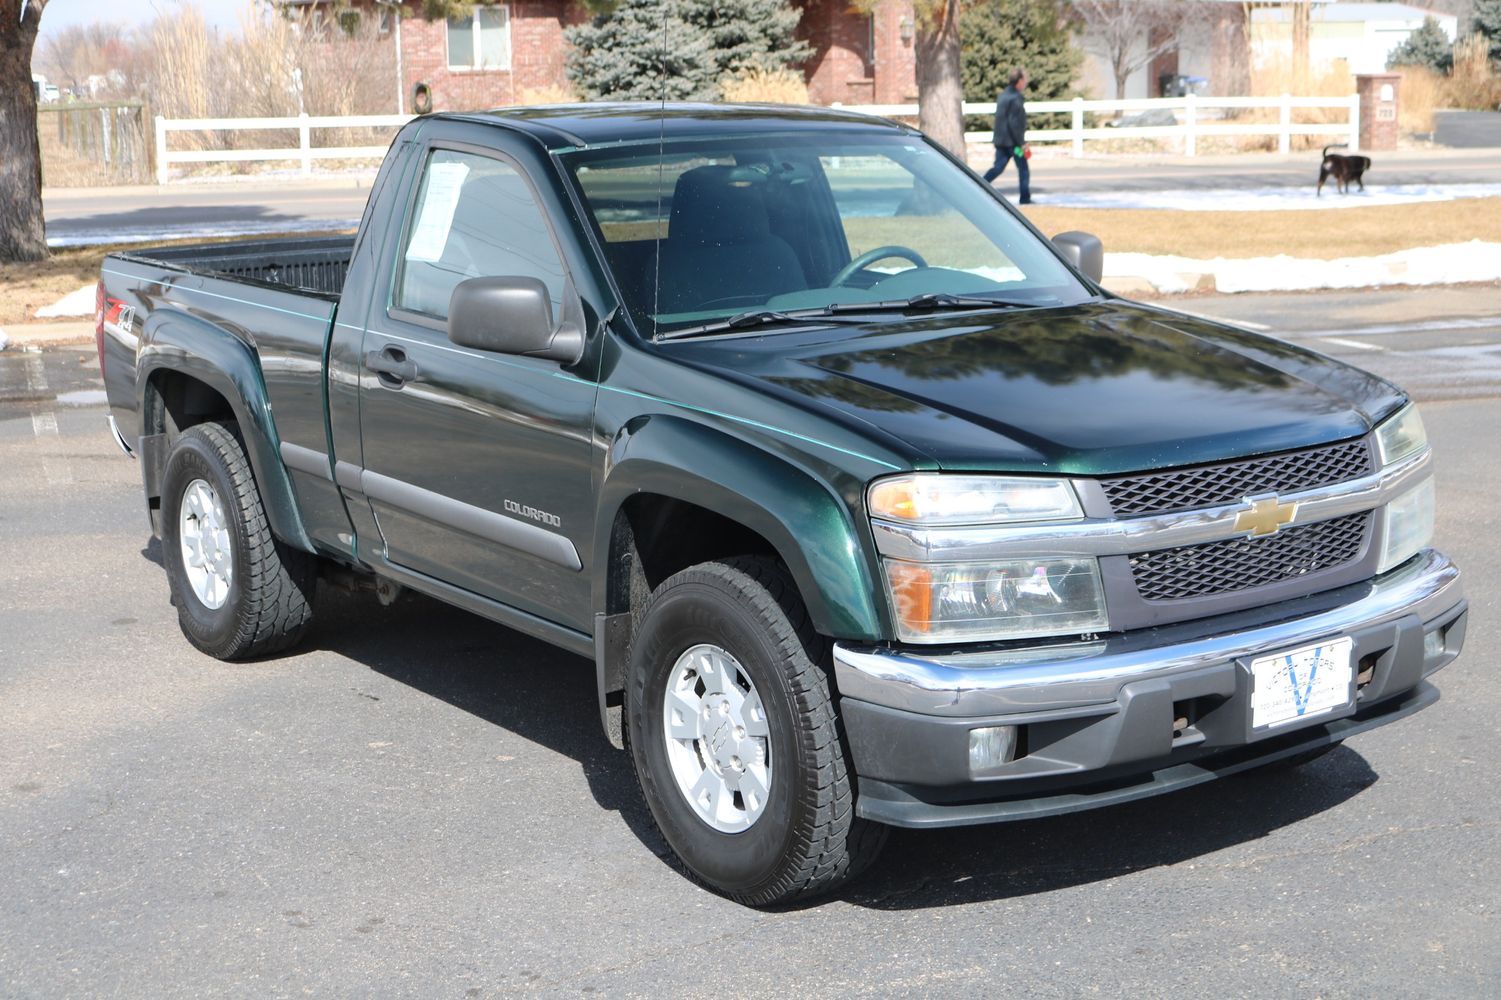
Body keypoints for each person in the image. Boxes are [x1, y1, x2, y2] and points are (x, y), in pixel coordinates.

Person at [983, 68, 1031, 204]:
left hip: (1001, 141)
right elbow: (1014, 123)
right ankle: (1025, 198)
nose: (1025, 83)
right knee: (1023, 169)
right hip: (1014, 143)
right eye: (1024, 80)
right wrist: (1022, 142)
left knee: (997, 168)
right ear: (1019, 81)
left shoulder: (1003, 95)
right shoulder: (1016, 98)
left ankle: (980, 185)